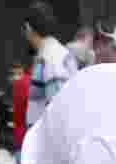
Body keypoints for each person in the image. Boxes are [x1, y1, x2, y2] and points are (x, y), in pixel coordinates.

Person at [23, 2, 78, 130]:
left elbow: (58, 110)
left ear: (28, 28)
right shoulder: (58, 54)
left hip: (51, 144)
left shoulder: (51, 58)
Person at [11, 57, 32, 164]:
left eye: (18, 73)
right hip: (22, 141)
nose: (16, 77)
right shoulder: (27, 83)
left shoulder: (22, 85)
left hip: (22, 141)